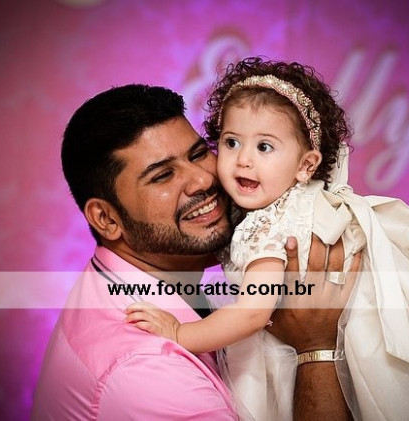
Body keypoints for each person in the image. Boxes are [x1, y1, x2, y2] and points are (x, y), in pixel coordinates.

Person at [125, 57, 409, 421]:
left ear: (306, 165)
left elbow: (253, 312)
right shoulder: (300, 202)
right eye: (231, 142)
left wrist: (180, 333)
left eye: (264, 147)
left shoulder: (269, 225)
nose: (243, 160)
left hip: (330, 343)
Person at [31, 83, 349, 420]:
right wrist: (316, 347)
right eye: (163, 176)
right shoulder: (147, 373)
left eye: (198, 154)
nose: (202, 180)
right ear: (107, 219)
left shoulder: (151, 281)